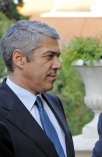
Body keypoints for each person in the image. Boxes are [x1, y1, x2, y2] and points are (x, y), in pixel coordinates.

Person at [0, 20, 75, 157]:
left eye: (57, 56)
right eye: (49, 56)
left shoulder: (55, 102)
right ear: (19, 58)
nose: (58, 65)